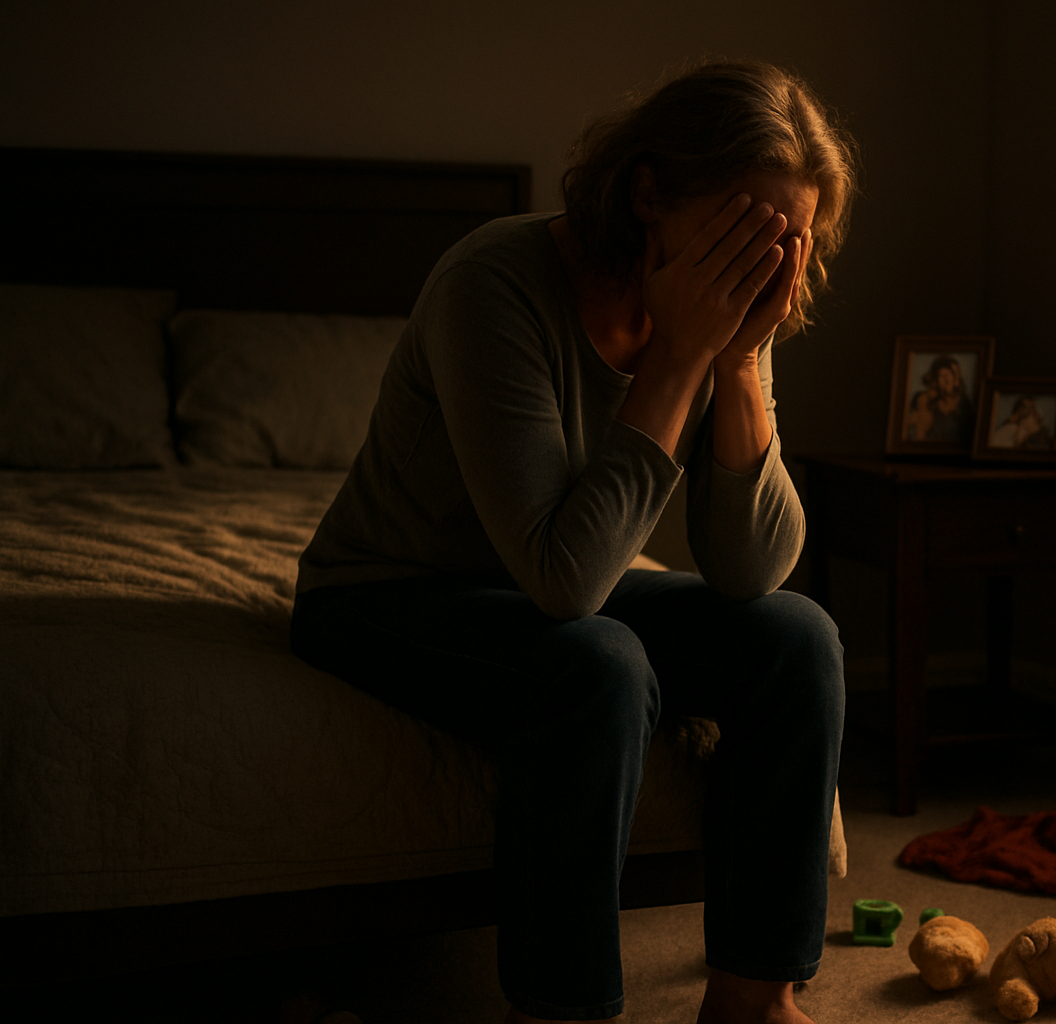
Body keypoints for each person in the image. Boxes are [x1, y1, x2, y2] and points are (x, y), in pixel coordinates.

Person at [288, 60, 856, 1024]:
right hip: (389, 591)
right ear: (648, 194)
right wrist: (680, 354)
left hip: (547, 582)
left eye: (785, 243)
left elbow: (752, 568)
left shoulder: (724, 312)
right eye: (738, 232)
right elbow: (566, 584)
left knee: (797, 638)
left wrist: (738, 361)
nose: (759, 266)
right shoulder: (492, 283)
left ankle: (755, 999)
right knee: (599, 664)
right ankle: (561, 1011)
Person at [904, 354, 972, 441]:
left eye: (949, 375)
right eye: (942, 376)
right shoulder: (924, 399)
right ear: (935, 380)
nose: (947, 380)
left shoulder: (963, 402)